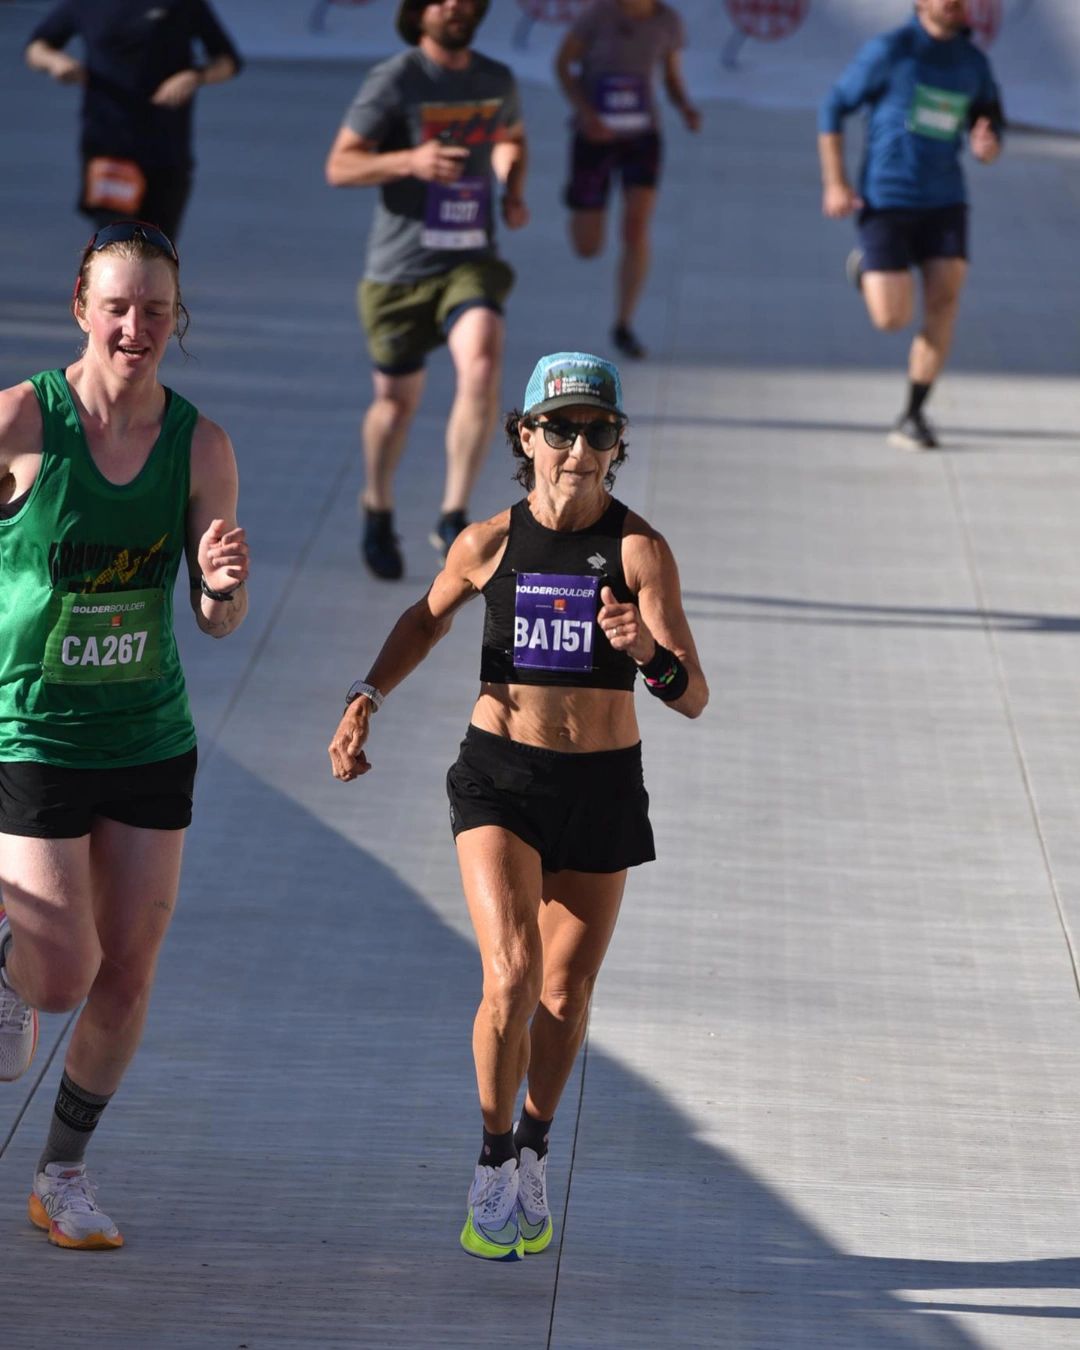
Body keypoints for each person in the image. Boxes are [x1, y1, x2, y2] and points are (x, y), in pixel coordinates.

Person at [328, 350, 708, 1260]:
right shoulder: (488, 542)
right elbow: (426, 617)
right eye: (562, 429)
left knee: (565, 994)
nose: (580, 447)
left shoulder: (638, 550)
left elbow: (691, 693)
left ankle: (534, 1143)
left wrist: (643, 651)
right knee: (509, 975)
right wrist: (366, 696)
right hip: (500, 775)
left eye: (600, 431)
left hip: (603, 789)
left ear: (618, 446)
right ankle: (493, 1159)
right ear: (526, 436)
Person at [0, 219, 250, 1250]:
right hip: (35, 730)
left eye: (156, 310)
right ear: (81, 308)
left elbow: (215, 617)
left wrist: (226, 588)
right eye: (118, 306)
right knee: (57, 977)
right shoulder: (21, 420)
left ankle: (62, 1174)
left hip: (148, 732)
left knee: (128, 973)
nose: (136, 326)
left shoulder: (201, 444)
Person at [325, 0, 528, 581]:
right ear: (419, 12)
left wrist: (511, 185)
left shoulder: (496, 79)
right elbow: (340, 165)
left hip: (469, 259)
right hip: (399, 271)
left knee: (483, 360)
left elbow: (511, 138)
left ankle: (453, 515)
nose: (456, 6)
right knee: (395, 404)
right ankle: (377, 506)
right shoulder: (395, 79)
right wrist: (411, 159)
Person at [818, 0, 1004, 451]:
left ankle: (914, 413)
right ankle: (868, 268)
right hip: (888, 201)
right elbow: (833, 106)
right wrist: (836, 182)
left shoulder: (973, 61)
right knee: (892, 318)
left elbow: (991, 123)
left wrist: (987, 144)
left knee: (944, 302)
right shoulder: (891, 51)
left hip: (945, 203)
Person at [555, 0, 700, 361]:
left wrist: (684, 106)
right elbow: (562, 65)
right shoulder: (597, 15)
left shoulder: (668, 21)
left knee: (635, 227)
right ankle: (579, 198)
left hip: (642, 134)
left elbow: (670, 75)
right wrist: (585, 113)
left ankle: (623, 322)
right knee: (588, 246)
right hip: (596, 134)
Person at [25, 0, 242, 242]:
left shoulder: (183, 4)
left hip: (166, 148)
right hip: (108, 146)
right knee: (115, 244)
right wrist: (56, 62)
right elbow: (37, 48)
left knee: (159, 249)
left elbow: (229, 61)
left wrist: (194, 77)